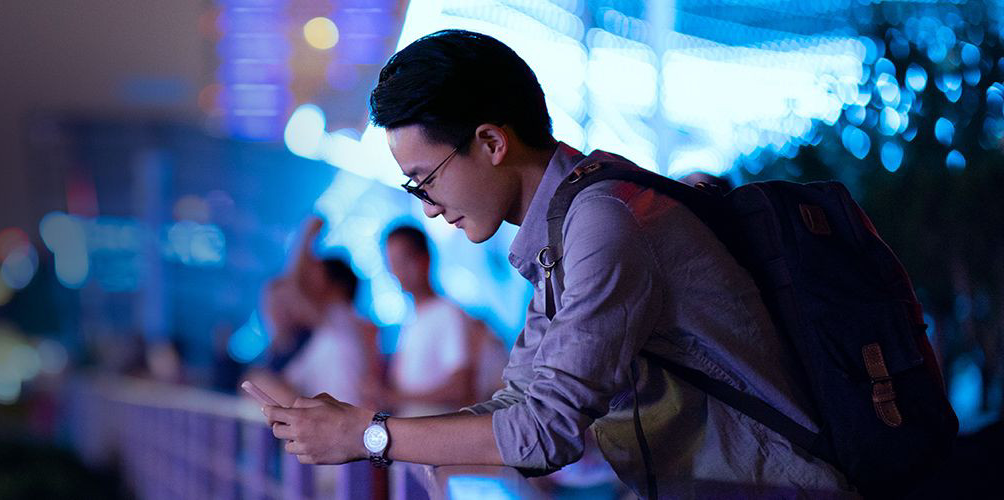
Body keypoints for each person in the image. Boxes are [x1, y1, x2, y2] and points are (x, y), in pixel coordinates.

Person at [261, 29, 852, 496]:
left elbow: (547, 431)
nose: (430, 208)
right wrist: (387, 435)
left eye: (425, 181)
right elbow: (521, 404)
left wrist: (369, 436)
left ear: (492, 143)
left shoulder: (604, 221)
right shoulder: (566, 229)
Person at [246, 217, 383, 408]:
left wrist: (306, 236)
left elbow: (294, 289)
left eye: (316, 277)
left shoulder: (341, 320)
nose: (309, 284)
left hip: (343, 427)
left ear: (337, 286)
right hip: (338, 423)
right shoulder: (327, 333)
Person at [375, 225, 506, 416]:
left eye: (403, 260)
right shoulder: (413, 319)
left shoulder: (447, 313)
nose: (397, 271)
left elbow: (460, 389)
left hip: (435, 434)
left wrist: (397, 398)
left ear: (425, 259)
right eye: (391, 263)